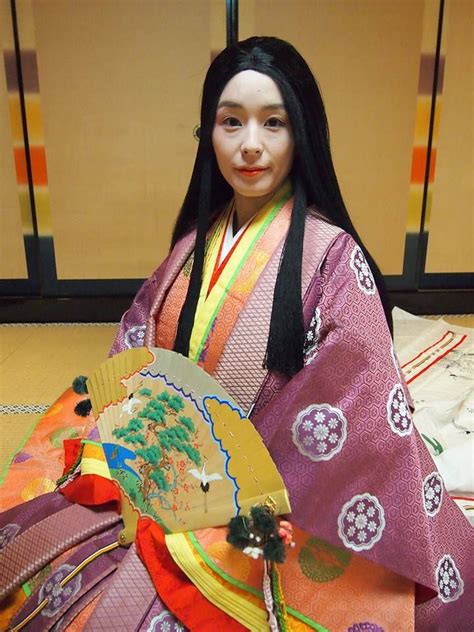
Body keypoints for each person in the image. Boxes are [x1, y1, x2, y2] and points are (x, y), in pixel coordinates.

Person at [0, 37, 471, 631]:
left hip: (278, 507)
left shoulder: (332, 257)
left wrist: (236, 482)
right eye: (231, 122)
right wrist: (146, 446)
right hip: (166, 477)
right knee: (38, 567)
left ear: (303, 134)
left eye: (274, 122)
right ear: (208, 133)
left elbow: (359, 413)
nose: (251, 144)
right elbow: (135, 347)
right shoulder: (192, 247)